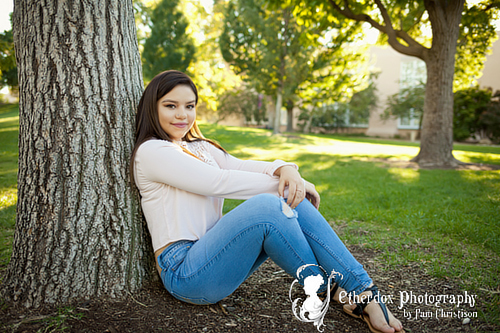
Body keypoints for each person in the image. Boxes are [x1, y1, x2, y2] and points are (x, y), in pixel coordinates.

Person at [130, 70, 405, 333]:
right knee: (272, 204)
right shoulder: (152, 152)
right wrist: (293, 185)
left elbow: (242, 166)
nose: (182, 115)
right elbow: (218, 181)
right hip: (184, 272)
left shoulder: (199, 146)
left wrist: (286, 169)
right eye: (170, 106)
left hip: (213, 254)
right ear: (152, 108)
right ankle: (352, 293)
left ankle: (358, 291)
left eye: (189, 106)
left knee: (284, 196)